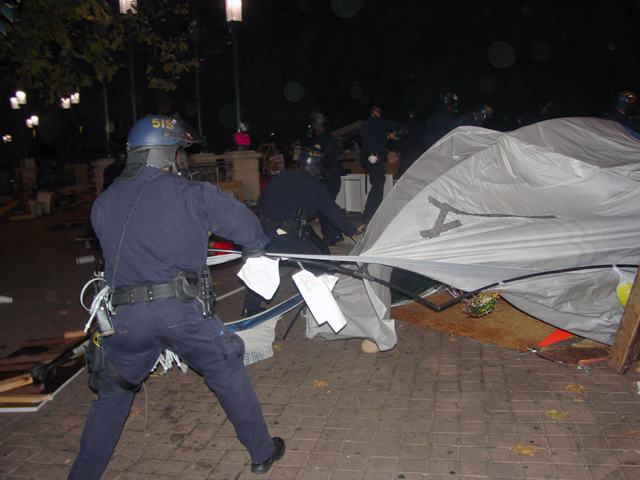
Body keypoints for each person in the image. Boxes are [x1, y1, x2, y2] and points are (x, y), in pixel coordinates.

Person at [69, 114, 284, 479]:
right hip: (180, 313)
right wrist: (257, 248)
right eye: (179, 151)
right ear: (166, 154)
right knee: (227, 368)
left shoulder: (102, 204)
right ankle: (262, 452)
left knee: (113, 397)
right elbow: (247, 228)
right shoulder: (190, 192)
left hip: (126, 319)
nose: (181, 159)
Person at [241, 148, 359, 317]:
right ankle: (325, 309)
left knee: (262, 268)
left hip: (264, 233)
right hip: (287, 234)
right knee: (316, 262)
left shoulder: (280, 177)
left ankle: (249, 309)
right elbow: (331, 211)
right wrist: (352, 231)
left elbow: (261, 202)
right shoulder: (313, 185)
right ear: (318, 168)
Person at [358, 106, 405, 226]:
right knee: (378, 183)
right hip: (373, 156)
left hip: (366, 157)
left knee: (378, 182)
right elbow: (395, 124)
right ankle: (369, 215)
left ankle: (370, 214)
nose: (380, 113)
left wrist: (389, 137)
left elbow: (374, 138)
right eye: (378, 111)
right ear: (373, 112)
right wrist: (402, 128)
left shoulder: (366, 125)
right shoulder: (377, 122)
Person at [308, 112, 344, 246]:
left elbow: (315, 161)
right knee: (330, 206)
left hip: (326, 178)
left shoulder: (319, 141)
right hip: (333, 177)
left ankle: (330, 237)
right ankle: (336, 233)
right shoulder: (329, 139)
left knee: (323, 208)